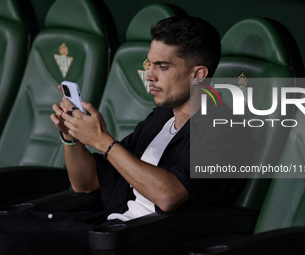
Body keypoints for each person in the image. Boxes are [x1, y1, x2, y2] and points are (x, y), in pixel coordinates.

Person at [0, 16, 252, 254]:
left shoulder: (227, 127)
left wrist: (102, 141)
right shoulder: (160, 118)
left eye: (162, 67)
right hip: (103, 227)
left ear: (198, 74)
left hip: (139, 240)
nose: (149, 75)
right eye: (150, 64)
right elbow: (86, 183)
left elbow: (169, 196)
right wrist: (71, 136)